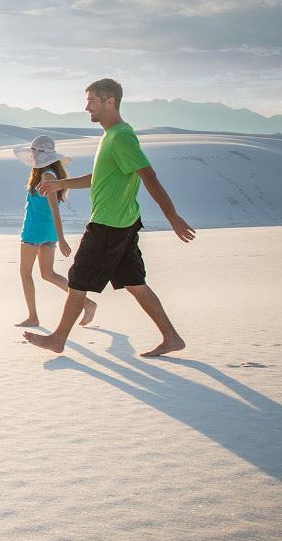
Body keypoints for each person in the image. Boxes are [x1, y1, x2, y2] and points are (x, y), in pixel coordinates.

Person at [23, 78, 195, 357]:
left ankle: (58, 339)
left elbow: (148, 174)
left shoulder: (121, 136)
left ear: (109, 102)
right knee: (134, 282)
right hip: (121, 222)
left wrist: (172, 216)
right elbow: (98, 178)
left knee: (78, 278)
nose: (86, 106)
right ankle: (172, 337)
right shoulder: (111, 136)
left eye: (91, 100)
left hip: (109, 223)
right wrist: (60, 185)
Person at [12, 136, 97, 328]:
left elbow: (54, 209)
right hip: (46, 231)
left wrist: (62, 238)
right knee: (48, 274)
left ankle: (33, 317)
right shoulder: (48, 174)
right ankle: (87, 303)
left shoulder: (46, 176)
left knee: (26, 273)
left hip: (34, 231)